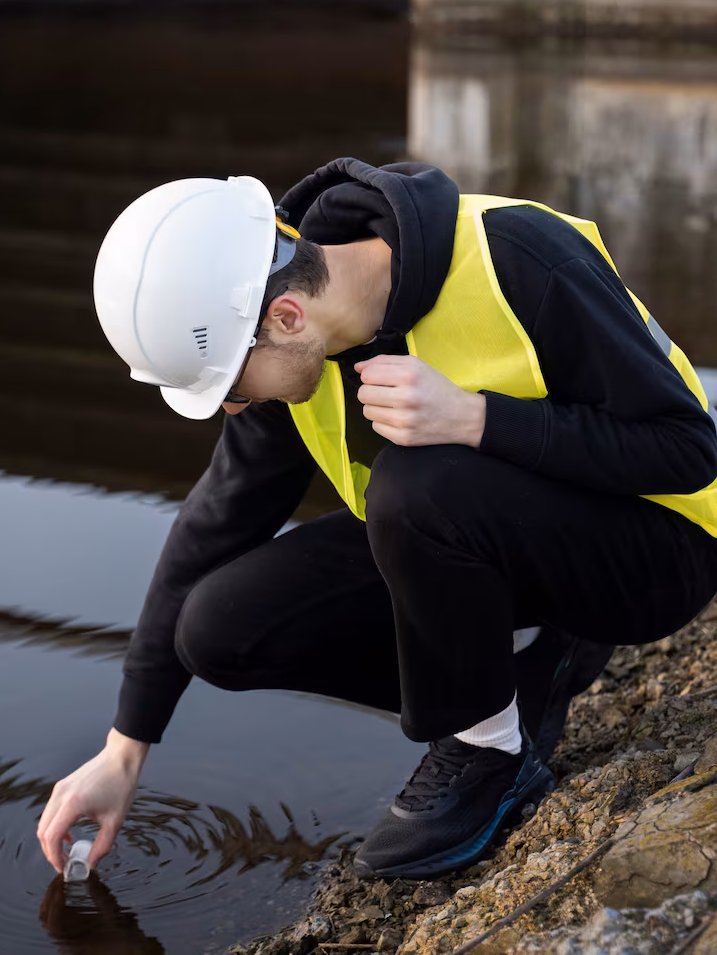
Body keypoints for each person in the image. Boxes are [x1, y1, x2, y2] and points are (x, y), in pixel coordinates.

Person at [37, 160, 717, 880]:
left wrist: (479, 418)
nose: (234, 409)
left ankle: (489, 750)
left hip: (656, 550)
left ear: (286, 316)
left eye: (231, 386)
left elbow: (687, 450)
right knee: (218, 628)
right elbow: (213, 525)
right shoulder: (294, 350)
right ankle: (521, 688)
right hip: (464, 531)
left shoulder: (517, 254)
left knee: (412, 480)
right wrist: (125, 748)